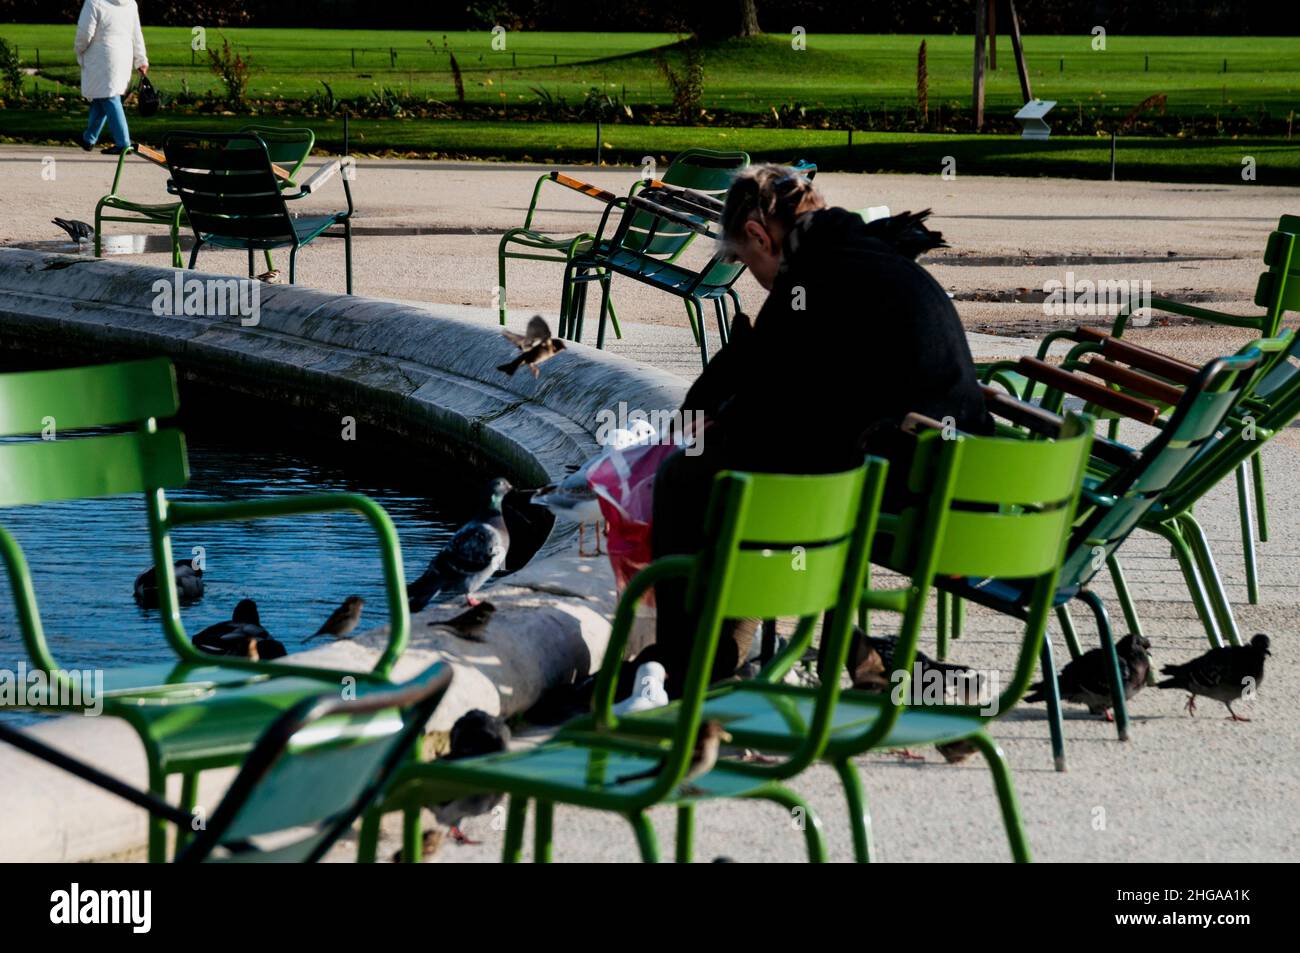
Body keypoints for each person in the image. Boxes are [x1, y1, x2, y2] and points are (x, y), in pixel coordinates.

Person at [636, 164, 993, 696]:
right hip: (959, 480)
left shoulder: (815, 274)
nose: (754, 276)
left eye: (744, 259)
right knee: (738, 475)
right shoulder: (859, 251)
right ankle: (787, 653)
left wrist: (706, 425)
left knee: (689, 482)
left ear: (759, 235)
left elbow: (770, 393)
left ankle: (690, 666)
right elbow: (783, 375)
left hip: (917, 492)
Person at [74, 0, 148, 155]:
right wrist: (141, 59)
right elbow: (136, 33)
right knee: (103, 96)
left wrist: (79, 50)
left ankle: (123, 143)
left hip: (101, 56)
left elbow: (85, 34)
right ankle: (89, 138)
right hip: (123, 55)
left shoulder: (94, 3)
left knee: (109, 98)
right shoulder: (130, 4)